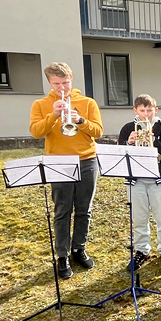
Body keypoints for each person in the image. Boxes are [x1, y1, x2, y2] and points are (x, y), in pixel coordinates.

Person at [29, 62, 104, 280]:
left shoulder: (87, 102)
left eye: (65, 82)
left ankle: (78, 248)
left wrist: (80, 120)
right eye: (57, 84)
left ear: (72, 79)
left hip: (87, 160)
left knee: (84, 209)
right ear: (50, 83)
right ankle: (62, 255)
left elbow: (98, 131)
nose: (62, 87)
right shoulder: (41, 104)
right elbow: (36, 132)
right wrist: (53, 115)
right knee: (62, 210)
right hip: (58, 161)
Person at [117, 94, 161, 272]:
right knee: (139, 219)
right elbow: (120, 152)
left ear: (155, 110)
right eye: (142, 111)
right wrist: (130, 142)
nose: (146, 114)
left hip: (159, 180)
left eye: (149, 110)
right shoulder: (128, 128)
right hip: (135, 180)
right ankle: (142, 251)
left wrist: (154, 140)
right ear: (136, 111)